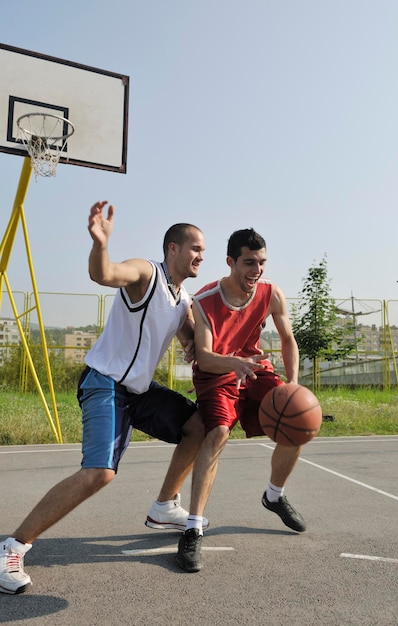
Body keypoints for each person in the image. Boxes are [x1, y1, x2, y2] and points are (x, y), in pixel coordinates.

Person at [0, 200, 207, 594]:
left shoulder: (183, 301)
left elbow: (197, 343)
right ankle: (12, 546)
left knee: (198, 424)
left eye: (204, 251)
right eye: (195, 248)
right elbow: (106, 274)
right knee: (99, 473)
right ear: (173, 249)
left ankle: (165, 506)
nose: (201, 256)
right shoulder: (147, 273)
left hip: (140, 393)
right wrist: (100, 244)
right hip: (105, 383)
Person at [176, 227, 305, 573]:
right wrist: (233, 363)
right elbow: (203, 356)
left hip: (253, 368)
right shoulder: (203, 300)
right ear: (231, 261)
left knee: (299, 419)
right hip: (217, 372)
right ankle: (192, 528)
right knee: (216, 433)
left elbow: (288, 338)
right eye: (249, 263)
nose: (257, 270)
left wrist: (292, 383)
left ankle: (274, 495)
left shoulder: (270, 293)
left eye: (261, 263)